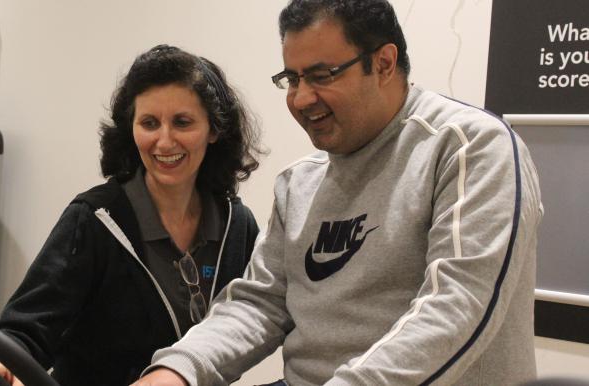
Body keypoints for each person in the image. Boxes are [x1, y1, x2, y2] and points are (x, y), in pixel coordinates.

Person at [135, 1, 543, 385]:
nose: (300, 98)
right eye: (292, 79)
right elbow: (260, 303)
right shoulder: (299, 183)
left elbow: (457, 307)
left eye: (321, 75)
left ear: (383, 63)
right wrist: (179, 369)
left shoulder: (470, 148)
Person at [0, 44, 263, 385]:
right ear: (130, 129)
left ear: (214, 130)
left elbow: (261, 318)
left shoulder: (237, 226)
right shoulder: (94, 219)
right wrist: (5, 363)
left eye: (182, 122)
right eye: (149, 123)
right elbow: (28, 328)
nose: (164, 142)